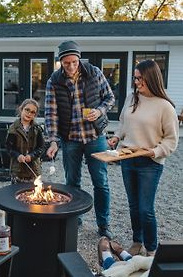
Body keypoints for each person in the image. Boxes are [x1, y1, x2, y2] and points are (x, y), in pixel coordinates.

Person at [108, 60, 179, 256]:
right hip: (127, 158)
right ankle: (137, 241)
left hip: (150, 163)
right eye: (135, 78)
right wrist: (116, 136)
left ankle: (152, 248)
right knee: (133, 206)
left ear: (151, 78)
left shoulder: (165, 107)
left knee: (145, 209)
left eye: (140, 78)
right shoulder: (132, 98)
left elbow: (171, 141)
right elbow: (123, 123)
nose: (136, 82)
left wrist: (153, 152)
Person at [45, 40, 115, 238]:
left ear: (79, 58)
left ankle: (104, 225)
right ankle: (75, 219)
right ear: (60, 62)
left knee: (100, 182)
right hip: (71, 139)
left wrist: (99, 111)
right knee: (72, 183)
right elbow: (51, 113)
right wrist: (52, 141)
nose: (71, 67)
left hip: (95, 136)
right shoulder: (54, 80)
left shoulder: (94, 73)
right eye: (66, 63)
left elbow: (110, 98)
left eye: (74, 62)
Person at [6, 98, 45, 183]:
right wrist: (18, 156)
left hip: (33, 170)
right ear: (21, 109)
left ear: (35, 115)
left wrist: (32, 156)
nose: (29, 113)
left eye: (32, 112)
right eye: (27, 110)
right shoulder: (13, 128)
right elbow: (9, 148)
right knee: (16, 193)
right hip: (17, 170)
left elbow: (41, 147)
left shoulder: (37, 129)